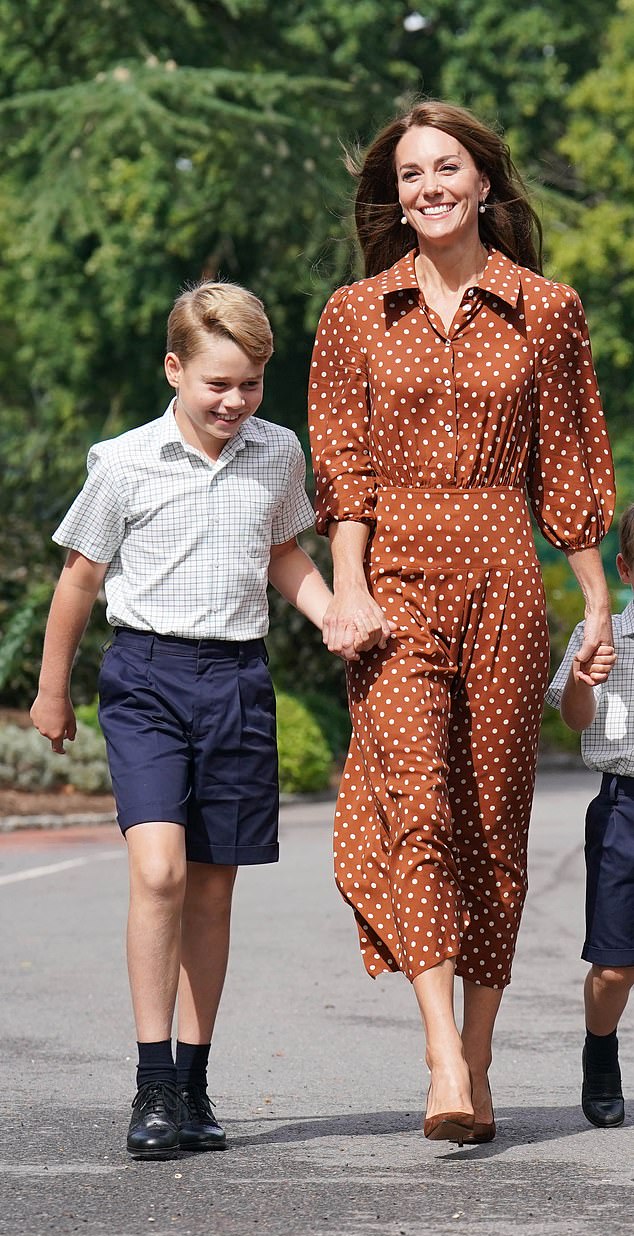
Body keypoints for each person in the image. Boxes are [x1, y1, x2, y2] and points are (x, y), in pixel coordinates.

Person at [308, 99, 615, 1144]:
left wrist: (597, 602)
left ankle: (477, 1054)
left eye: (447, 168)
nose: (428, 187)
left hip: (503, 577)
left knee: (491, 823)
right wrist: (345, 586)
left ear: (484, 181)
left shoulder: (548, 308)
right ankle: (441, 1047)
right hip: (393, 583)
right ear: (394, 197)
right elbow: (341, 472)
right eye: (409, 175)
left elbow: (569, 462)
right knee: (419, 805)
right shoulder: (354, 312)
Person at [30, 280, 360, 1161]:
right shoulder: (124, 461)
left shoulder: (277, 453)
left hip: (238, 681)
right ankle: (149, 1085)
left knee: (214, 885)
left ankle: (195, 1079)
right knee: (163, 872)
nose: (234, 401)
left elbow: (284, 554)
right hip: (146, 678)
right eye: (217, 382)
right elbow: (79, 580)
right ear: (174, 369)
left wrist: (329, 611)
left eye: (250, 383)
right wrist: (53, 688)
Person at [545, 506, 634, 1129]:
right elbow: (575, 718)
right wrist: (581, 679)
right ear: (626, 569)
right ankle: (600, 1050)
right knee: (614, 965)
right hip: (625, 804)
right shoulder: (603, 638)